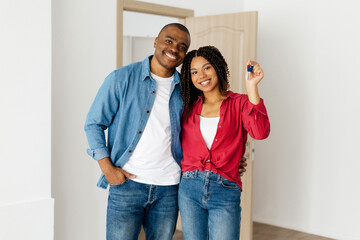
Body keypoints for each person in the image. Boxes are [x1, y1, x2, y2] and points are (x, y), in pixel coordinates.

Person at [84, 23, 247, 240]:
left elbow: (202, 130)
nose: (174, 49)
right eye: (169, 41)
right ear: (156, 41)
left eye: (182, 46)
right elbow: (94, 123)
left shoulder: (188, 90)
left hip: (169, 188)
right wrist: (107, 169)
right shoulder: (122, 78)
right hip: (126, 186)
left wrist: (229, 157)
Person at [178, 45, 270, 240]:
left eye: (206, 67)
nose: (201, 75)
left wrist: (252, 87)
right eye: (194, 71)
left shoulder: (240, 103)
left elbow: (260, 133)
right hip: (189, 189)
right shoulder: (186, 108)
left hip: (225, 188)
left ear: (218, 67)